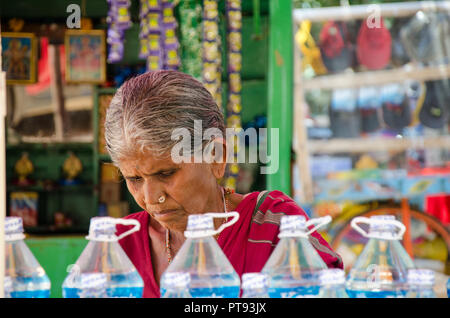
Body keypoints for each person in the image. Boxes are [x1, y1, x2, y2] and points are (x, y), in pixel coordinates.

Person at [105, 70, 343, 298]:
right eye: (134, 179)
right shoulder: (117, 246)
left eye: (166, 173)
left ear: (217, 157)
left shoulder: (275, 227)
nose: (150, 197)